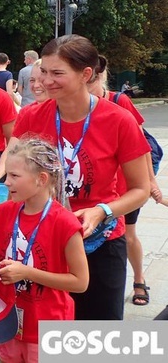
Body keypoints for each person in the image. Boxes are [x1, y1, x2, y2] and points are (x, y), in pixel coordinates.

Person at [0, 35, 151, 320]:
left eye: (57, 73)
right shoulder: (31, 116)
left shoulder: (119, 120)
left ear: (86, 74)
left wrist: (102, 211)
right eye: (43, 71)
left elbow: (141, 189)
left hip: (100, 242)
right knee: (47, 336)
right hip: (45, 240)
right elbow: (15, 178)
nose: (45, 81)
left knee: (95, 338)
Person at [0, 138, 88, 362]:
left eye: (15, 176)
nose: (6, 182)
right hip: (8, 322)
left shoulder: (64, 223)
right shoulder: (4, 212)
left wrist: (27, 272)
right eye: (8, 174)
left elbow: (80, 282)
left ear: (41, 179)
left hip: (49, 327)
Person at [88, 56, 162, 306]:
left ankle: (139, 280)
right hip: (95, 187)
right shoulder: (70, 107)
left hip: (125, 187)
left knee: (128, 235)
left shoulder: (119, 101)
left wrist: (150, 182)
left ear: (96, 77)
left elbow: (142, 147)